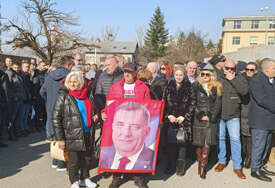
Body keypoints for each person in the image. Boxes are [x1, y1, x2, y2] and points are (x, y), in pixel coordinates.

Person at [102, 62, 151, 188]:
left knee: (137, 149)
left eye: (130, 72)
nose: (127, 74)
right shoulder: (116, 87)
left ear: (135, 73)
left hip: (136, 123)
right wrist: (104, 112)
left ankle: (139, 177)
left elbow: (149, 105)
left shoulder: (143, 87)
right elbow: (109, 103)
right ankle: (117, 176)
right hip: (121, 123)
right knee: (118, 149)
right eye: (125, 71)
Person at [53, 71, 98, 188]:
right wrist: (60, 139)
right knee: (74, 161)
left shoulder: (88, 95)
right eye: (70, 82)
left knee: (87, 158)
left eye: (76, 81)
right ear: (67, 83)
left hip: (87, 132)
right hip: (71, 135)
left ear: (81, 82)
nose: (73, 84)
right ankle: (74, 182)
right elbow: (56, 119)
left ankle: (85, 178)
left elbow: (93, 109)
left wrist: (95, 115)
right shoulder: (63, 96)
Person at [214, 59, 248, 179]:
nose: (229, 70)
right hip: (220, 115)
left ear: (235, 69)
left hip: (234, 115)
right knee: (221, 138)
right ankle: (222, 161)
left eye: (232, 68)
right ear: (223, 68)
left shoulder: (239, 78)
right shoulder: (218, 78)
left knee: (235, 140)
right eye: (227, 68)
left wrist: (232, 79)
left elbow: (244, 91)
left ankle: (237, 166)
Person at [40, 55, 74, 171]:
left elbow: (42, 91)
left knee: (55, 135)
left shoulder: (50, 75)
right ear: (69, 65)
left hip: (50, 108)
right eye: (72, 65)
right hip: (64, 109)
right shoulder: (69, 76)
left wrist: (49, 100)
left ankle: (55, 160)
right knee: (63, 134)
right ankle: (61, 162)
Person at [100, 102, 153, 170]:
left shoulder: (152, 157)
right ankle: (116, 175)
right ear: (113, 127)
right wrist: (104, 112)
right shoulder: (104, 154)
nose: (126, 133)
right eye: (120, 125)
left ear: (147, 131)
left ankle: (138, 175)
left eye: (135, 127)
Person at [162, 66, 196, 176]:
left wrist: (184, 116)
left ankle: (180, 167)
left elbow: (192, 104)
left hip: (183, 120)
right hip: (170, 120)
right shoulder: (168, 86)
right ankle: (171, 165)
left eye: (181, 75)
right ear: (173, 75)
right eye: (176, 75)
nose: (178, 77)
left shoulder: (189, 87)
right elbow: (164, 104)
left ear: (184, 75)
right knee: (171, 144)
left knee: (182, 144)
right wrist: (168, 116)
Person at [192, 63, 222, 179]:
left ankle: (203, 166)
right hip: (198, 118)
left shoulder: (217, 86)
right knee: (199, 144)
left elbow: (217, 104)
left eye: (207, 74)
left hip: (211, 119)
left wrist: (211, 116)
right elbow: (193, 102)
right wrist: (200, 115)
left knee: (207, 143)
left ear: (211, 76)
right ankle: (199, 164)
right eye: (203, 74)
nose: (205, 76)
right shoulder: (195, 86)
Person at [249, 58, 275, 182]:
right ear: (266, 69)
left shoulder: (272, 79)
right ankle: (255, 169)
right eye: (274, 68)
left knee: (266, 145)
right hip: (260, 121)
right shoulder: (257, 80)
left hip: (270, 120)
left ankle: (260, 166)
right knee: (259, 145)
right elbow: (262, 99)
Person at [239, 62, 258, 169]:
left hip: (253, 110)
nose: (249, 72)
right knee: (242, 135)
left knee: (250, 136)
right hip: (242, 109)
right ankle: (243, 155)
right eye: (247, 69)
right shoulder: (241, 79)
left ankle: (249, 157)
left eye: (252, 70)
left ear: (255, 71)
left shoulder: (258, 80)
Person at [6, 62, 29, 139]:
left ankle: (17, 132)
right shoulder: (10, 74)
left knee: (18, 117)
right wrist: (14, 96)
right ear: (12, 67)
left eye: (18, 67)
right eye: (15, 67)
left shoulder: (18, 75)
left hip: (20, 98)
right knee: (13, 117)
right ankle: (11, 134)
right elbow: (9, 87)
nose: (17, 69)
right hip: (15, 99)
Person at [0, 64, 10, 147]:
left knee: (2, 122)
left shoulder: (3, 74)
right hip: (2, 101)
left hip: (2, 102)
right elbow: (6, 89)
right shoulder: (3, 75)